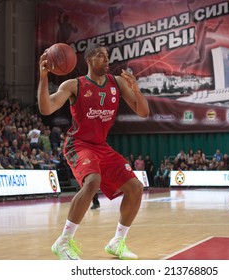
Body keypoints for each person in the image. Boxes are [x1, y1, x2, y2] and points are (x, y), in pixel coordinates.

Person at [37, 43, 149, 260]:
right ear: (88, 60)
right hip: (78, 144)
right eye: (100, 55)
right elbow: (46, 108)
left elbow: (143, 112)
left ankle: (117, 242)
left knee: (135, 187)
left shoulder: (117, 83)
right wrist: (43, 77)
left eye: (107, 56)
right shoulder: (74, 85)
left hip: (101, 146)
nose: (106, 59)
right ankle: (64, 241)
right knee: (92, 182)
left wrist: (135, 87)